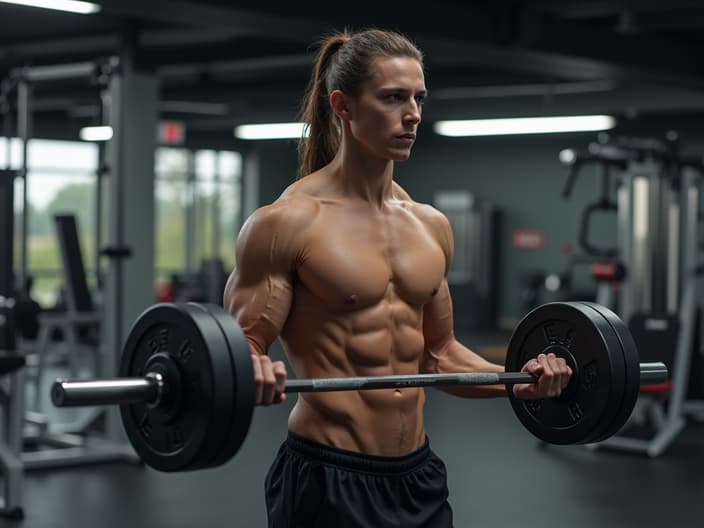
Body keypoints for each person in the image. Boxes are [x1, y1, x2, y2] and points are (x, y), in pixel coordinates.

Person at [224, 28, 572, 528]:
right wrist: (249, 367)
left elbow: (439, 355)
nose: (413, 114)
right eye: (393, 98)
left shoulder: (430, 225)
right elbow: (241, 345)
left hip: (417, 474)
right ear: (342, 105)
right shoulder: (286, 224)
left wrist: (518, 383)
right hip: (327, 477)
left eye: (418, 98)